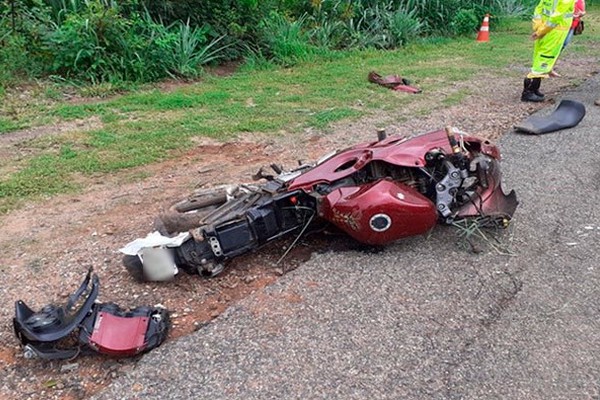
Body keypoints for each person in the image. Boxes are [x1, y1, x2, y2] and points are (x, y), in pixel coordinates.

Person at [521, 0, 576, 102]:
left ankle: (534, 89)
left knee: (540, 57)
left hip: (545, 28)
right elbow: (557, 16)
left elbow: (539, 9)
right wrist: (541, 31)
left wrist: (538, 28)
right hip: (555, 31)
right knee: (545, 58)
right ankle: (529, 91)